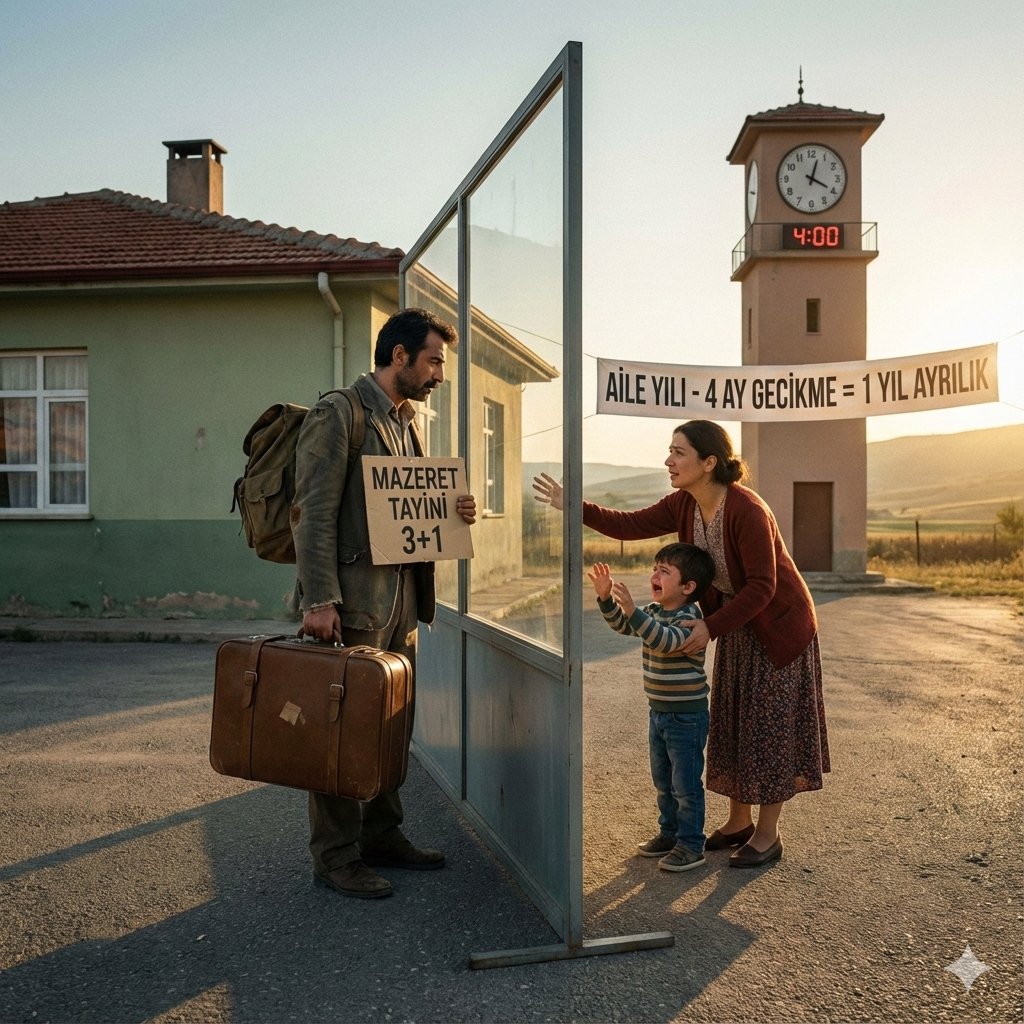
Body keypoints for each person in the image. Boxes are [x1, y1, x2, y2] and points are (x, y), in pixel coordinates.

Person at [535, 420, 829, 868]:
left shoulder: (747, 510)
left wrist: (711, 628)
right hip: (737, 624)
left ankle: (769, 835)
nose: (669, 460)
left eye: (679, 453)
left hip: (778, 627)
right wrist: (570, 504)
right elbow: (628, 523)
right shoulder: (684, 504)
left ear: (709, 462)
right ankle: (738, 822)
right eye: (669, 451)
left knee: (770, 729)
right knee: (735, 720)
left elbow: (764, 587)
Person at [292, 307, 477, 899]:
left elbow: (403, 510)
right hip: (353, 606)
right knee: (343, 731)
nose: (439, 375)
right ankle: (337, 857)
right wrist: (319, 599)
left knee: (392, 725)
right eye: (433, 361)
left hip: (401, 607)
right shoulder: (339, 413)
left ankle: (383, 835)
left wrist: (454, 512)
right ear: (399, 356)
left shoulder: (407, 422)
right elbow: (311, 512)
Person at [588, 543, 716, 873]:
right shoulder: (655, 612)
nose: (654, 575)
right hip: (658, 712)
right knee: (663, 780)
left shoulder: (690, 618)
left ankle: (691, 844)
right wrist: (606, 599)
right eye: (655, 568)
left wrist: (634, 611)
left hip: (687, 717)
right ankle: (669, 834)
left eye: (664, 571)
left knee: (685, 785)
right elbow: (624, 625)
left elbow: (665, 641)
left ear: (688, 587)